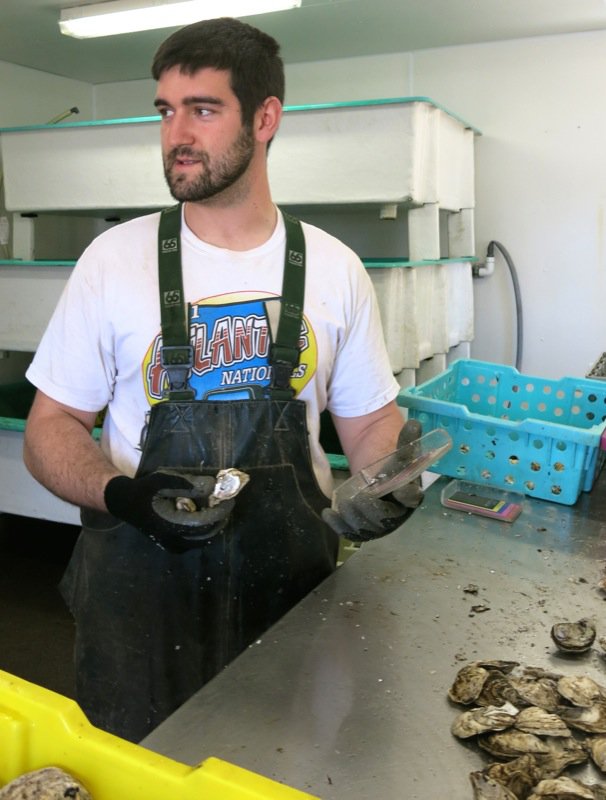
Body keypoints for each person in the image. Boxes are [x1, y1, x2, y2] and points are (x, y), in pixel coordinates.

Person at [23, 16, 422, 743]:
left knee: (280, 763)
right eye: (166, 110)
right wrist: (121, 494)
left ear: (265, 118)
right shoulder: (113, 261)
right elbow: (49, 428)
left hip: (288, 599)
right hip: (138, 598)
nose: (177, 133)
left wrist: (387, 479)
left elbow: (366, 424)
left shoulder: (333, 269)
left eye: (203, 109)